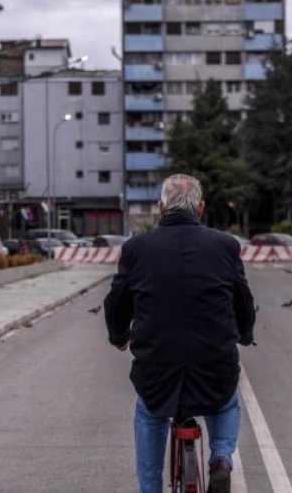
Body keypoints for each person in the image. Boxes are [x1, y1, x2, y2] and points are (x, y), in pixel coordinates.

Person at [104, 174, 256, 493]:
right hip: (213, 366)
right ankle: (222, 459)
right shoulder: (225, 246)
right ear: (200, 207)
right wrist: (244, 333)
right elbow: (243, 301)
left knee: (150, 412)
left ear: (161, 207)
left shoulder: (136, 249)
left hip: (157, 369)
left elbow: (116, 303)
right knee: (226, 401)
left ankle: (150, 489)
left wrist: (119, 336)